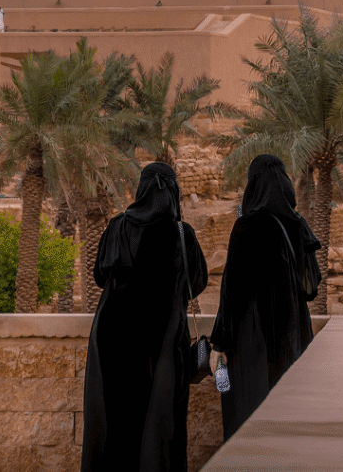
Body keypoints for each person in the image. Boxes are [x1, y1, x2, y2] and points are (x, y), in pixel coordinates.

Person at [80, 162, 207, 472]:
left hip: (114, 343)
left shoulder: (118, 226)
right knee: (160, 422)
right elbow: (198, 281)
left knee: (116, 419)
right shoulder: (182, 233)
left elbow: (99, 275)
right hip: (163, 343)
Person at [210, 154, 323, 441]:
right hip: (294, 336)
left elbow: (231, 292)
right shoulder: (297, 224)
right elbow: (311, 288)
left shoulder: (246, 226)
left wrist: (218, 343)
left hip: (253, 339)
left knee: (250, 416)